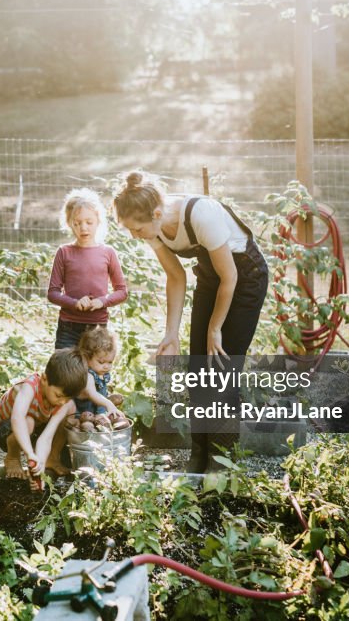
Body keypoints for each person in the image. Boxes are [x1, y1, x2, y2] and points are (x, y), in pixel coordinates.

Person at [113, 171, 269, 472]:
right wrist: (171, 334)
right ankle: (199, 457)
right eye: (131, 230)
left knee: (222, 370)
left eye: (138, 228)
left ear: (156, 213)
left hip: (245, 278)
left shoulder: (201, 214)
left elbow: (231, 277)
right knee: (198, 371)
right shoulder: (155, 228)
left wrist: (215, 329)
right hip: (213, 280)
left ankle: (222, 463)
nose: (136, 235)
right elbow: (175, 276)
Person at [48, 189, 128, 349]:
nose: (83, 228)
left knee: (95, 373)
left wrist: (102, 301)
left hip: (97, 328)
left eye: (89, 222)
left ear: (98, 220)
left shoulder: (108, 252)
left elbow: (122, 291)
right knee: (65, 372)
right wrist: (74, 303)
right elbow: (53, 293)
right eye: (77, 223)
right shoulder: (64, 252)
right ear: (69, 223)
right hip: (68, 327)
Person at [0, 348, 87, 479]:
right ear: (44, 379)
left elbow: (46, 437)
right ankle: (12, 457)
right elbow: (17, 419)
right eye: (59, 395)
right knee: (28, 421)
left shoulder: (62, 402)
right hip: (6, 431)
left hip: (35, 429)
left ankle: (51, 458)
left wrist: (38, 464)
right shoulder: (28, 388)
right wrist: (29, 452)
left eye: (67, 397)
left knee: (70, 408)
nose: (62, 401)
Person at [74, 326, 127, 419]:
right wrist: (108, 404)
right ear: (87, 358)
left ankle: (103, 411)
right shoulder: (88, 375)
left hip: (96, 412)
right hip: (83, 414)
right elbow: (93, 394)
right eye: (101, 362)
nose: (106, 366)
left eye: (110, 362)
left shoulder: (100, 372)